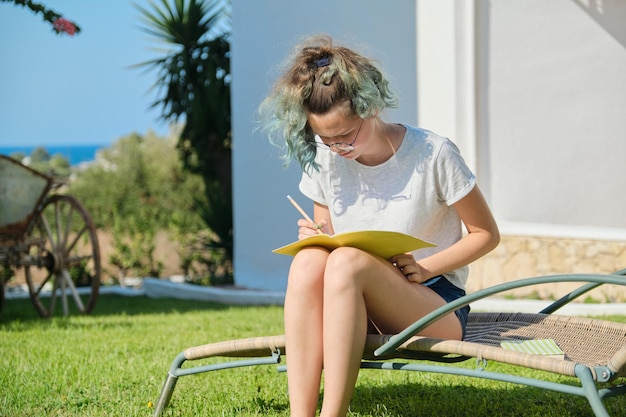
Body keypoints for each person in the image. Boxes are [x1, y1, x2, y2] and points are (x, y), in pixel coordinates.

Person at [258, 35, 500, 417]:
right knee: (309, 262)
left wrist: (424, 267)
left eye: (345, 136)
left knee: (347, 263)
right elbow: (328, 237)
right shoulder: (326, 159)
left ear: (370, 106)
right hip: (353, 296)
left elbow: (487, 234)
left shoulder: (433, 154)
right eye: (326, 138)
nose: (337, 148)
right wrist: (318, 238)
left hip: (434, 303)